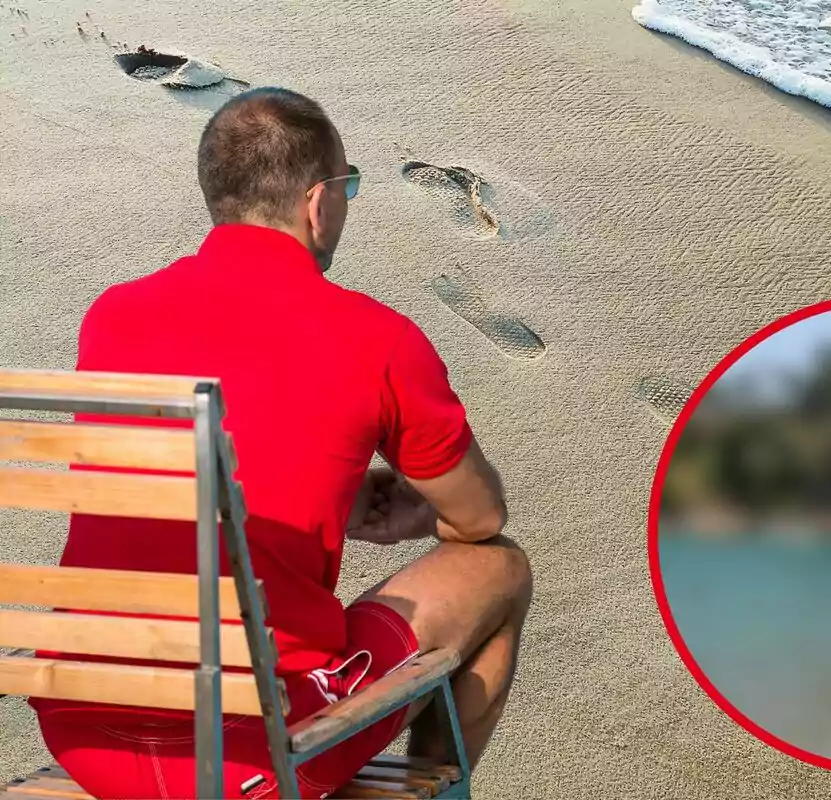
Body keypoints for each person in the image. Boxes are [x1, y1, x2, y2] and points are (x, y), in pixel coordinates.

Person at [30, 87, 533, 800]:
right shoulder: (376, 339)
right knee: (500, 571)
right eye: (348, 186)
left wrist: (329, 500)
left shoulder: (111, 316)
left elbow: (192, 485)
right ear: (319, 201)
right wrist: (429, 514)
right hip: (245, 758)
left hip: (81, 728)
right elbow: (479, 519)